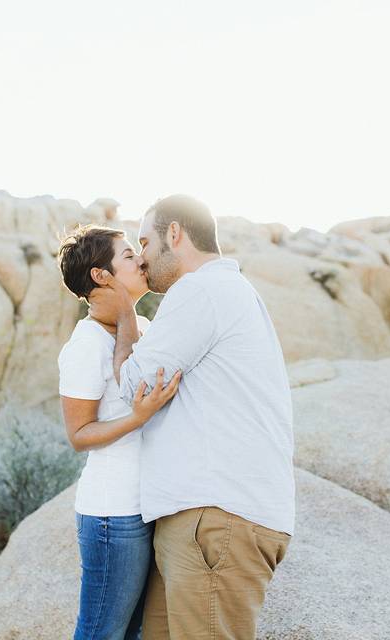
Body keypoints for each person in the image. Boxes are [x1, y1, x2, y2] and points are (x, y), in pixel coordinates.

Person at [88, 195, 296, 639]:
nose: (142, 257)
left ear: (175, 234)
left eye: (144, 241)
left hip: (215, 520)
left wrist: (126, 314)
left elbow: (135, 387)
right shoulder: (231, 291)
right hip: (203, 520)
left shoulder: (200, 289)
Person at [57, 224, 182, 640]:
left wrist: (128, 311)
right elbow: (79, 434)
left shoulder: (141, 327)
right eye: (128, 256)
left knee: (131, 634)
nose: (141, 260)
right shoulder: (85, 346)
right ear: (101, 276)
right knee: (101, 633)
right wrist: (136, 418)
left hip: (147, 506)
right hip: (114, 514)